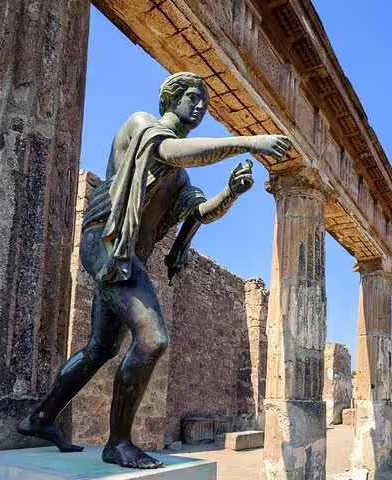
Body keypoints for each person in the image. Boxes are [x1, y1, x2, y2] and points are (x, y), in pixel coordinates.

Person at [17, 72, 291, 469]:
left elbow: (198, 212)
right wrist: (250, 142)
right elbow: (172, 152)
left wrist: (230, 193)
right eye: (193, 97)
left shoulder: (180, 178)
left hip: (125, 257)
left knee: (100, 349)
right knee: (152, 339)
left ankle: (41, 418)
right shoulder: (143, 126)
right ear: (171, 99)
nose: (200, 107)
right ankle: (118, 441)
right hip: (107, 244)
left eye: (205, 103)